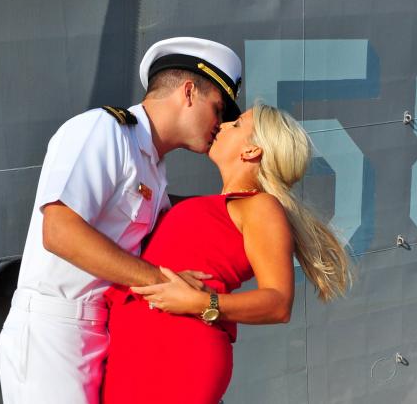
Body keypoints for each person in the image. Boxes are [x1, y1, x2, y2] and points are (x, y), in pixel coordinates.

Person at [0, 37, 243, 404]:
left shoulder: (153, 167)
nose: (220, 125)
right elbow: (59, 231)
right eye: (218, 109)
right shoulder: (104, 131)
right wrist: (162, 280)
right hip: (54, 331)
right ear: (189, 92)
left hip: (99, 332)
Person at [101, 104, 352, 404]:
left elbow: (279, 303)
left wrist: (200, 302)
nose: (222, 125)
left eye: (236, 124)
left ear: (251, 151)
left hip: (177, 355)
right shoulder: (213, 205)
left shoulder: (261, 206)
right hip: (138, 353)